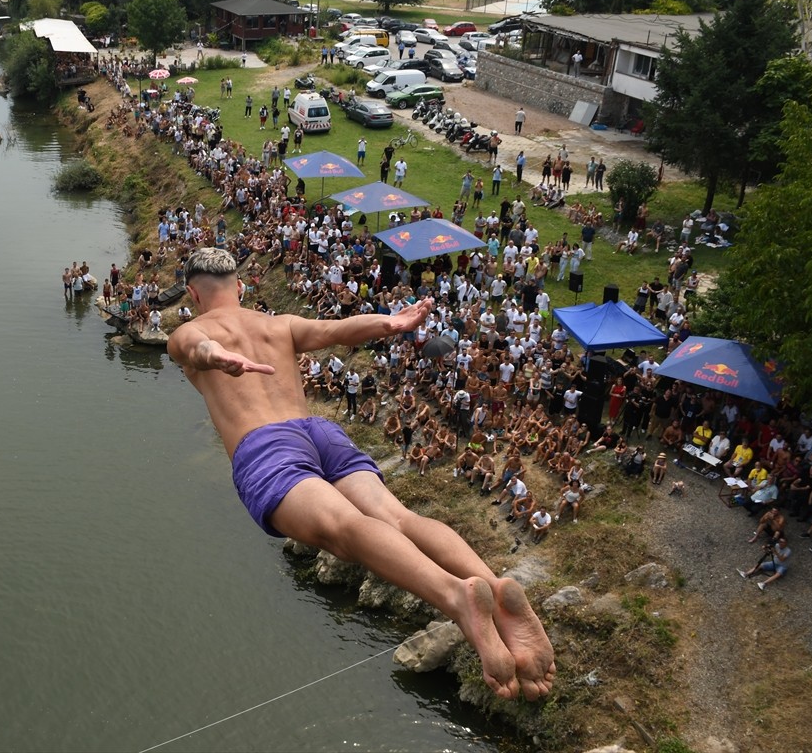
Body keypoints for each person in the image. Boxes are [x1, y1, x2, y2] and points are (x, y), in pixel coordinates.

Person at [168, 248, 555, 700]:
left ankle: (456, 598)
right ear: (241, 287)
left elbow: (194, 348)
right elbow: (337, 331)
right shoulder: (278, 324)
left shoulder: (189, 329)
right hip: (319, 431)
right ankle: (490, 584)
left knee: (345, 530)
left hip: (266, 446)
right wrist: (390, 322)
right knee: (399, 518)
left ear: (194, 294)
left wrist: (217, 357)